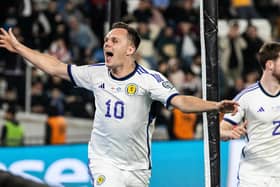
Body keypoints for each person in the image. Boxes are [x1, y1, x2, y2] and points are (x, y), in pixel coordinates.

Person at [0, 22, 238, 187]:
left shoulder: (149, 80)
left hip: (137, 167)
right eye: (106, 40)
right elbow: (54, 67)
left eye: (114, 40)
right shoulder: (96, 74)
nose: (107, 44)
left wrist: (214, 106)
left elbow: (181, 102)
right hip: (105, 161)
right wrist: (19, 47)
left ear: (130, 49)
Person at [220, 42, 280, 187]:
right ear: (270, 65)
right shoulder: (247, 97)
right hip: (254, 177)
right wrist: (229, 133)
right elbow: (219, 130)